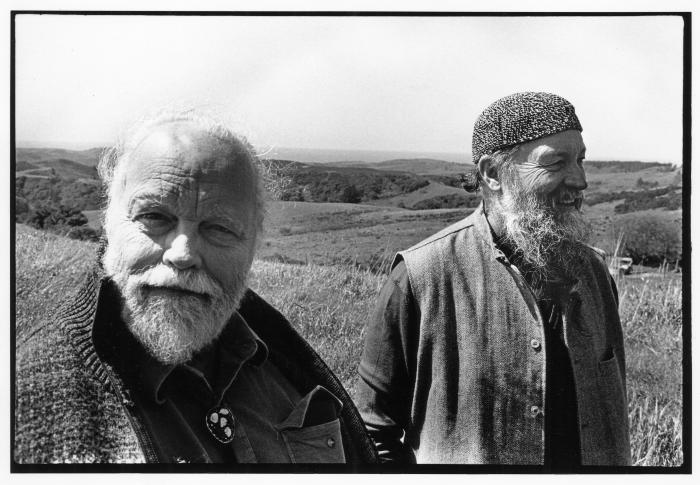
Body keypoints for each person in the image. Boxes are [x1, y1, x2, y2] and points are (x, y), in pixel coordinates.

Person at [15, 111, 377, 465]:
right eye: (154, 217)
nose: (183, 254)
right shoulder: (30, 402)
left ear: (253, 245)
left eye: (219, 227)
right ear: (109, 225)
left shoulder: (282, 361)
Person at [356, 92, 631, 466]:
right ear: (493, 173)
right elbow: (373, 430)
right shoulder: (422, 276)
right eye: (556, 162)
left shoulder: (595, 273)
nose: (580, 180)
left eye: (581, 160)